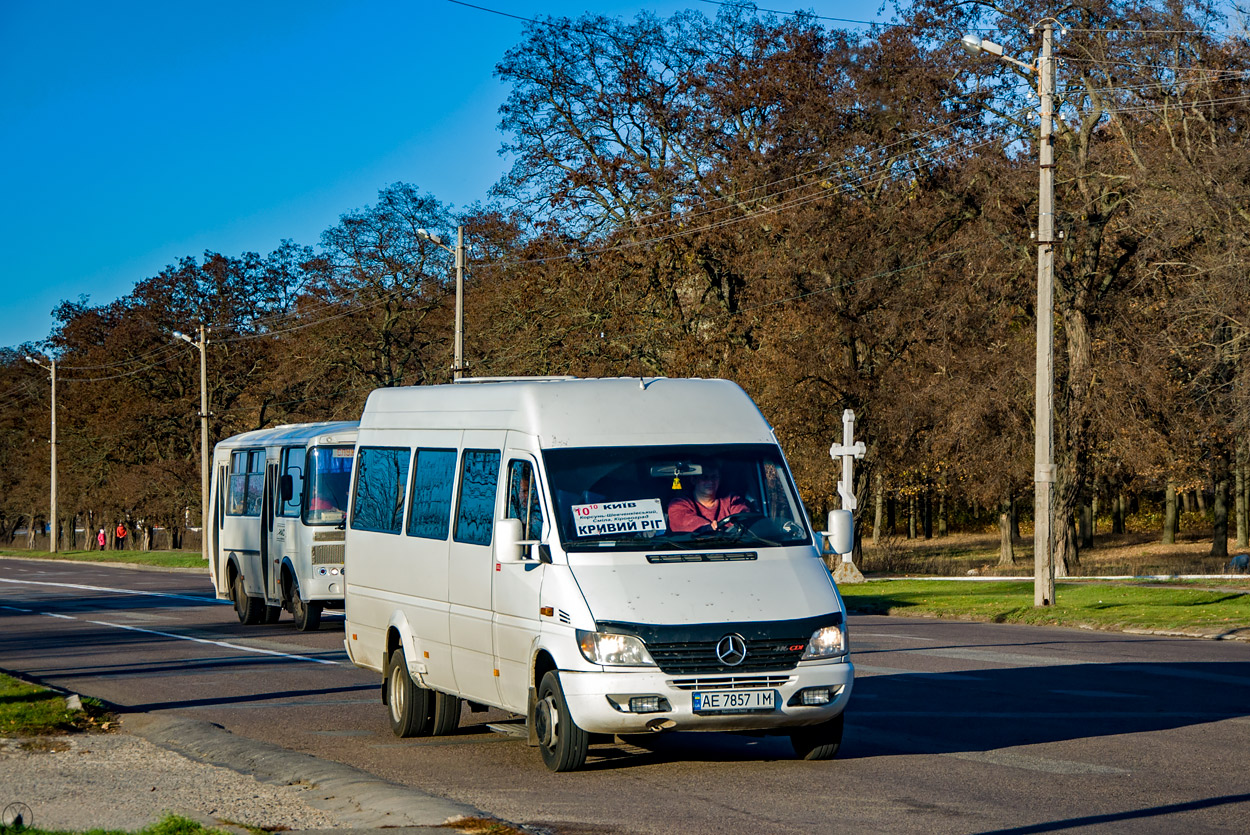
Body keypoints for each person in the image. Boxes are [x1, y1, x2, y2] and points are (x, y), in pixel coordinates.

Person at [667, 465, 748, 533]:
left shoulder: (731, 499)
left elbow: (745, 518)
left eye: (714, 477)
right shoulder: (679, 504)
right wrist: (708, 528)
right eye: (704, 477)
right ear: (693, 480)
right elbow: (685, 523)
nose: (710, 481)